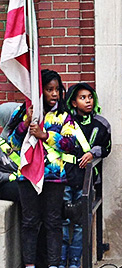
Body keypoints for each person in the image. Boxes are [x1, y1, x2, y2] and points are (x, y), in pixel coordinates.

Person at [8, 69, 76, 268]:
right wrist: (26, 124)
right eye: (49, 89)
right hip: (28, 176)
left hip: (54, 177)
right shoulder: (24, 112)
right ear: (40, 91)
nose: (54, 94)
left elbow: (70, 144)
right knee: (29, 222)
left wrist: (45, 135)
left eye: (57, 89)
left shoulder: (64, 116)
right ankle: (30, 264)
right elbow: (13, 143)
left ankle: (53, 264)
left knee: (53, 222)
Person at [60, 83, 112, 268]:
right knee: (63, 220)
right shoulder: (64, 122)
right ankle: (61, 261)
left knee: (82, 222)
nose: (88, 101)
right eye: (83, 98)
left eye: (90, 97)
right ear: (73, 102)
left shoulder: (102, 123)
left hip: (87, 180)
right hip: (65, 177)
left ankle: (75, 262)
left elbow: (107, 147)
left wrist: (93, 152)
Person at [0, 102, 21, 202]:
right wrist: (8, 177)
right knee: (21, 190)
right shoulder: (1, 144)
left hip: (25, 179)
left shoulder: (28, 138)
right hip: (6, 182)